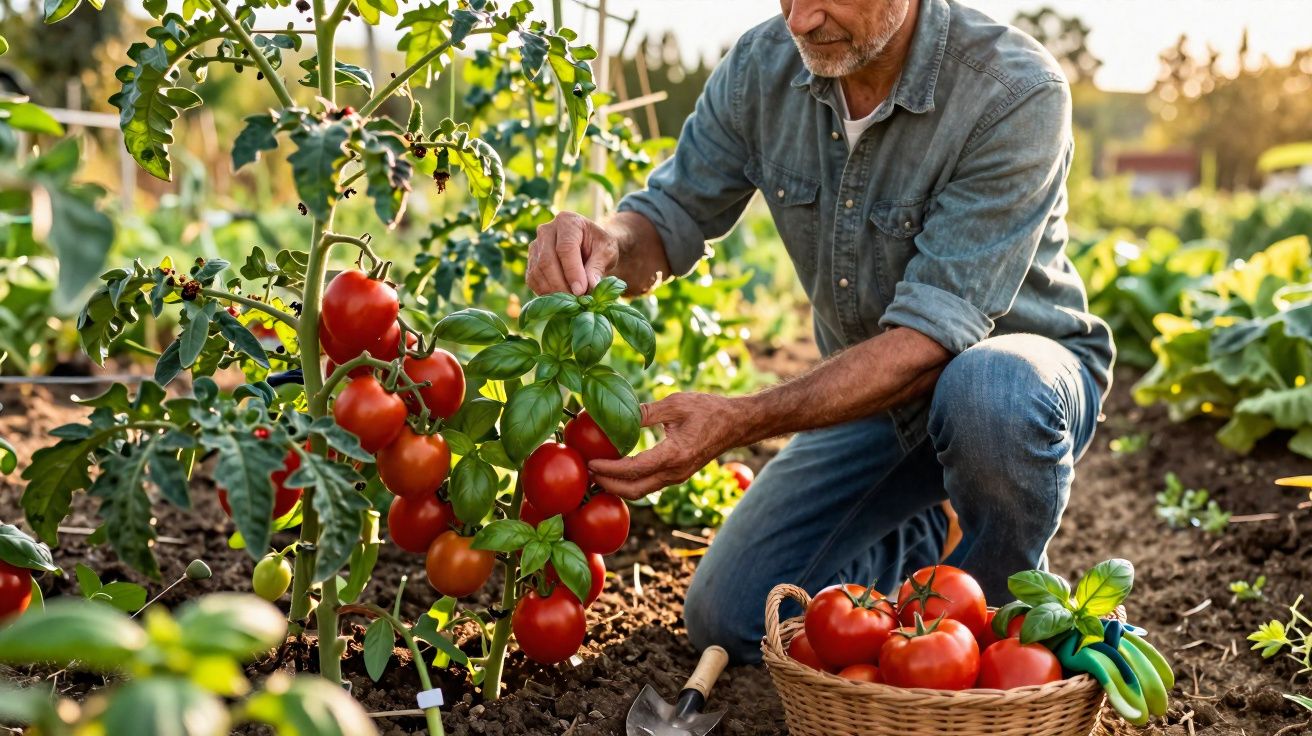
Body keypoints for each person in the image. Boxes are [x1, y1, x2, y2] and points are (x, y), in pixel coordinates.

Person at [524, 0, 1114, 663]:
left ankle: (998, 619)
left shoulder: (1011, 89)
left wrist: (740, 419)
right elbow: (672, 216)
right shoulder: (763, 66)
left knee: (990, 391)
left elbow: (931, 341)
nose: (801, 21)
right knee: (733, 618)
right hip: (874, 401)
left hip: (1013, 392)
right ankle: (918, 534)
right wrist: (608, 241)